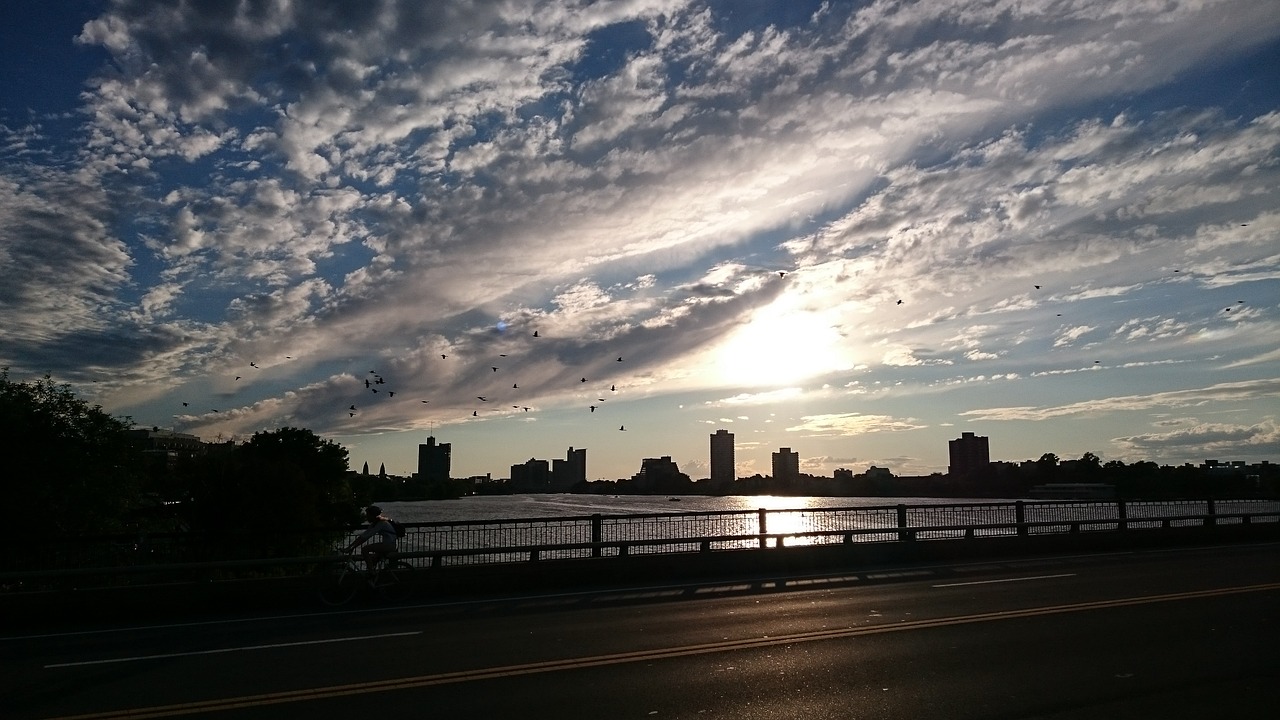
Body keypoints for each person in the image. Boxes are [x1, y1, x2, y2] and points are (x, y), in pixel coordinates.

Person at [345, 506, 398, 572]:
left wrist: (352, 547)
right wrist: (351, 547)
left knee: (365, 549)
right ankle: (374, 576)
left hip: (389, 545)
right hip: (389, 544)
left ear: (373, 515)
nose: (366, 517)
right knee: (373, 559)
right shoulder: (375, 524)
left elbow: (366, 536)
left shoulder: (381, 524)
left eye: (368, 515)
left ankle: (371, 572)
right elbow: (363, 536)